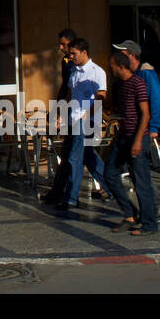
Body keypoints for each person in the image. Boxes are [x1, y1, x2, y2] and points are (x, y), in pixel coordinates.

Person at [50, 38, 111, 211]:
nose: (71, 57)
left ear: (84, 52)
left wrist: (87, 115)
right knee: (88, 158)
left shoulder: (96, 72)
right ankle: (111, 186)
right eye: (70, 54)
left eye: (74, 54)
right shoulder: (74, 71)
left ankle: (71, 198)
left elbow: (101, 97)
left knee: (74, 159)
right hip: (73, 119)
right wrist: (61, 114)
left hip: (87, 121)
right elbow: (70, 93)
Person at [113, 39, 160, 223]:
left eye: (122, 53)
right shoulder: (132, 76)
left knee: (140, 171)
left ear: (131, 55)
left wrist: (154, 126)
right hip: (131, 131)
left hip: (142, 131)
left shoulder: (145, 74)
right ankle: (150, 208)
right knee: (135, 171)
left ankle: (156, 207)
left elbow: (156, 101)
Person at [105, 50, 160, 236]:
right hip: (123, 137)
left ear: (120, 66)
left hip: (137, 138)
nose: (110, 68)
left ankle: (149, 224)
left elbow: (145, 113)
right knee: (109, 173)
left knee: (141, 182)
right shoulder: (119, 85)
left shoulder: (138, 83)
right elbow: (122, 112)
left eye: (111, 65)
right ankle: (129, 214)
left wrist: (137, 141)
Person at [40, 28, 78, 205]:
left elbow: (70, 89)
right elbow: (65, 86)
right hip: (70, 111)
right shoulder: (66, 61)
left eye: (63, 44)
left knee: (77, 156)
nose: (60, 47)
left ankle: (108, 187)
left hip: (79, 114)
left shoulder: (80, 63)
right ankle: (57, 193)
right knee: (72, 154)